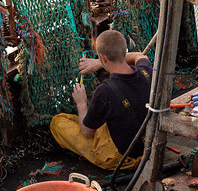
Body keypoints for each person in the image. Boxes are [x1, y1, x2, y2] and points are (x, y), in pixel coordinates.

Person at [50, 30, 152, 170]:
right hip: (147, 147)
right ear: (124, 51)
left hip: (121, 157)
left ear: (103, 57)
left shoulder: (104, 91)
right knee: (95, 118)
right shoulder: (145, 71)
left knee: (58, 122)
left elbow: (87, 132)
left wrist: (81, 103)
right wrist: (99, 63)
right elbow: (140, 55)